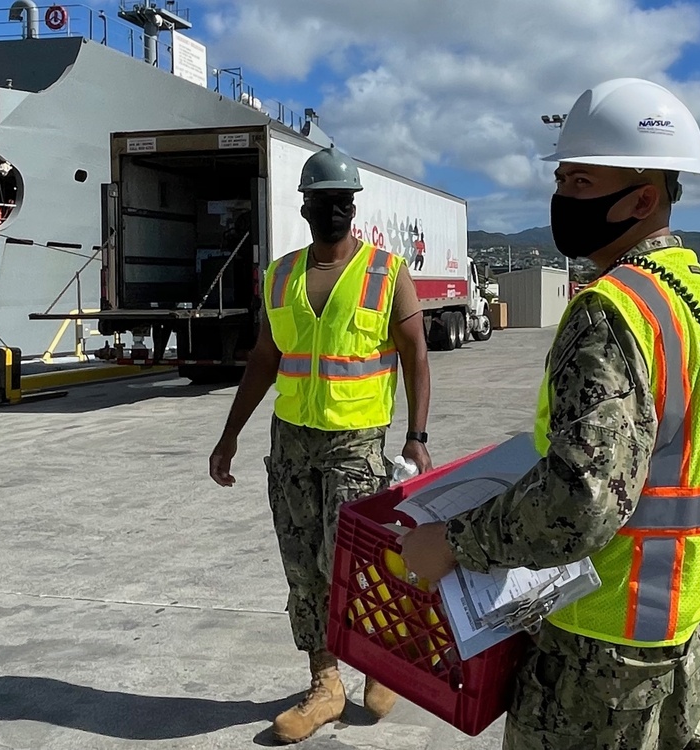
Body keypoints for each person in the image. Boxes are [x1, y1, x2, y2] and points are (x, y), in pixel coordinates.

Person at [401, 78, 700, 750]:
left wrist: (450, 543)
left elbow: (582, 500)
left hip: (605, 650)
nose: (561, 196)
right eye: (561, 177)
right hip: (692, 635)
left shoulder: (613, 308)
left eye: (581, 181)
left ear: (643, 199)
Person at [208, 146, 433, 744]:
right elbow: (264, 358)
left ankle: (380, 661)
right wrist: (229, 436)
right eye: (320, 200)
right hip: (292, 446)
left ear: (352, 207)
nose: (330, 210)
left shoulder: (386, 273)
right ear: (304, 206)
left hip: (356, 444)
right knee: (303, 566)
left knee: (354, 565)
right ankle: (325, 683)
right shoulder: (281, 275)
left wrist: (416, 435)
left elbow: (415, 355)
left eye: (340, 201)